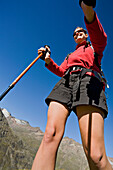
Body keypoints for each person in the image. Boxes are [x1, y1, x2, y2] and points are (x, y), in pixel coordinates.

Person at [32, 0, 113, 170]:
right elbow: (61, 70)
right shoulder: (70, 56)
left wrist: (87, 10)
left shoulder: (93, 48)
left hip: (88, 82)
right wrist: (47, 60)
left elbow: (101, 38)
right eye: (75, 34)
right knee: (50, 135)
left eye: (80, 32)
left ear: (86, 34)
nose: (77, 34)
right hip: (66, 82)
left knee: (95, 155)